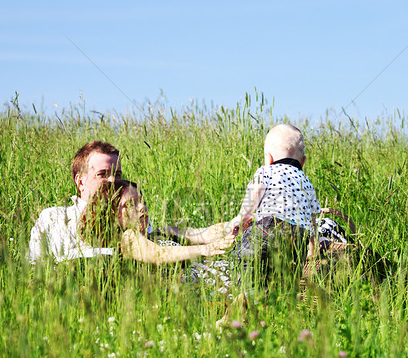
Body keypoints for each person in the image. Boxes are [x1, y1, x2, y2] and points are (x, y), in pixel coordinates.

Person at [29, 140, 235, 263]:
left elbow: (184, 233)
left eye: (117, 174)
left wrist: (233, 224)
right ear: (80, 181)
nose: (112, 180)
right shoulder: (55, 218)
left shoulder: (130, 215)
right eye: (103, 174)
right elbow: (36, 266)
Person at [232, 123, 321, 287]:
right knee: (286, 283)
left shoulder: (266, 171)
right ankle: (278, 304)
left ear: (269, 157)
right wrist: (312, 247)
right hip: (298, 239)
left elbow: (256, 191)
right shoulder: (306, 182)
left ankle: (247, 295)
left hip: (268, 228)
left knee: (249, 260)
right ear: (303, 162)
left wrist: (241, 217)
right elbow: (313, 218)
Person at [79, 179, 235, 264]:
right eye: (131, 204)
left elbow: (203, 234)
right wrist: (205, 250)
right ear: (112, 214)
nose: (142, 208)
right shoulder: (127, 239)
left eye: (142, 201)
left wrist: (235, 223)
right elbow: (158, 255)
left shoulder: (161, 231)